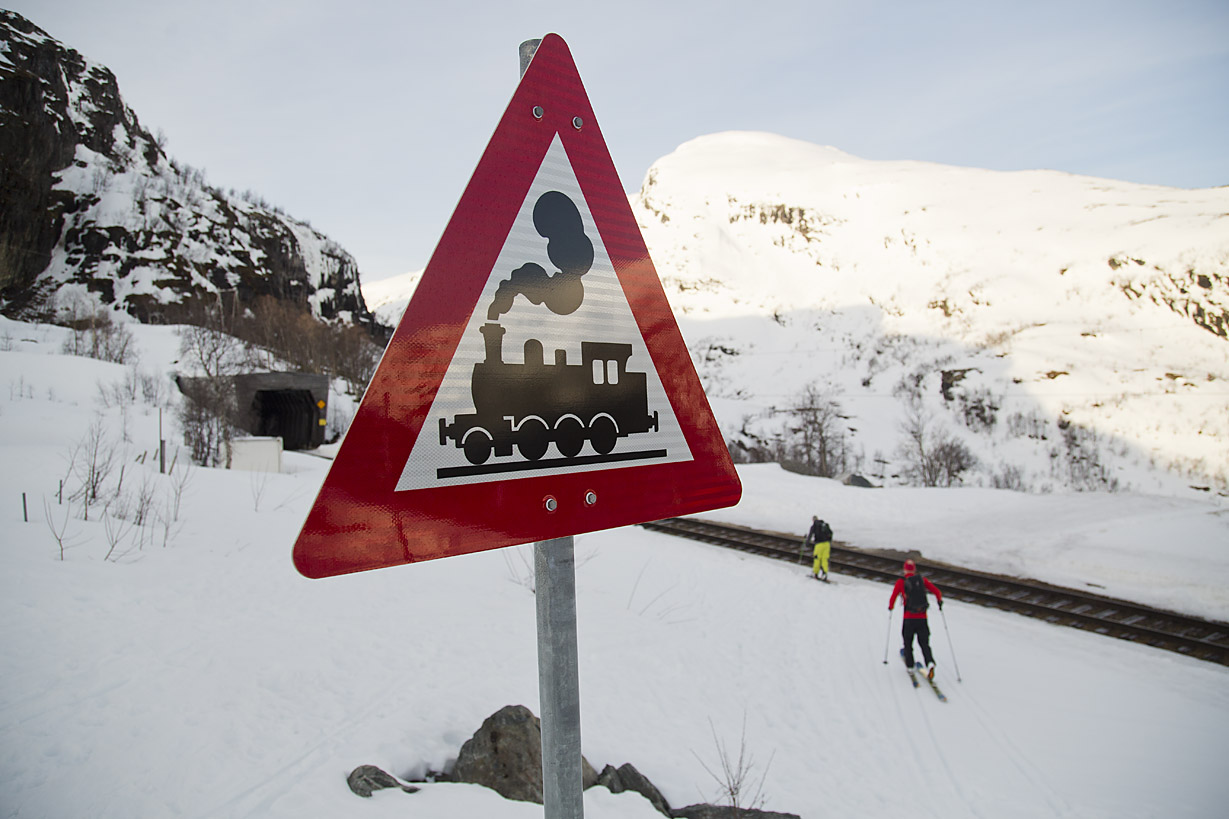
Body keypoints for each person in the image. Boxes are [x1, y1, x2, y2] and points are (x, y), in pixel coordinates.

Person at [888, 559, 943, 679]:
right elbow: (937, 592)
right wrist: (939, 602)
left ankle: (910, 665)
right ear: (914, 569)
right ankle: (929, 662)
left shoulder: (901, 582)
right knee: (924, 643)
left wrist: (890, 607)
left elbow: (893, 598)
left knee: (908, 642)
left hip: (909, 618)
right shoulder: (922, 580)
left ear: (904, 569)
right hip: (922, 618)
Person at [803, 516, 833, 581]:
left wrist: (807, 543)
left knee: (817, 559)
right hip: (827, 544)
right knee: (825, 559)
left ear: (813, 520)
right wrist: (829, 542)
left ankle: (815, 573)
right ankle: (825, 574)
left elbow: (810, 535)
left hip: (819, 545)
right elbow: (831, 533)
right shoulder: (824, 524)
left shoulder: (814, 526)